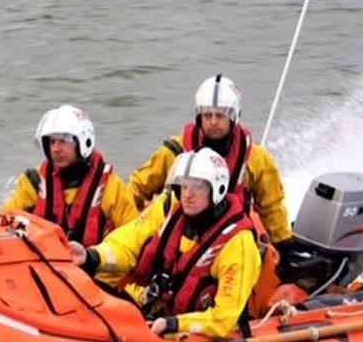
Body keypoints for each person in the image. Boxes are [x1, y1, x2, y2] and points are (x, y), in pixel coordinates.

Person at [70, 148, 261, 339]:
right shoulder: (169, 207)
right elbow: (127, 242)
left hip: (193, 332)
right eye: (184, 186)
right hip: (155, 310)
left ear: (216, 188)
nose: (188, 194)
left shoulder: (238, 244)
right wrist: (91, 256)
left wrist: (174, 323)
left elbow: (223, 319)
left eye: (197, 186)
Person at [126, 75, 303, 280]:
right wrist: (132, 229)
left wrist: (284, 245)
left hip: (231, 242)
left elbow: (272, 206)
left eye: (220, 116)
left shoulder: (256, 159)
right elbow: (137, 188)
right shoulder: (175, 152)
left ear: (234, 117)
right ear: (198, 117)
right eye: (207, 115)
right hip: (179, 239)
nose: (213, 122)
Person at [3, 104, 136, 247]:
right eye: (52, 141)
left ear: (83, 141)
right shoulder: (34, 182)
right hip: (42, 262)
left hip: (90, 265)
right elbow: (4, 222)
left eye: (64, 140)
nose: (56, 149)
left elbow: (132, 238)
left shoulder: (111, 187)